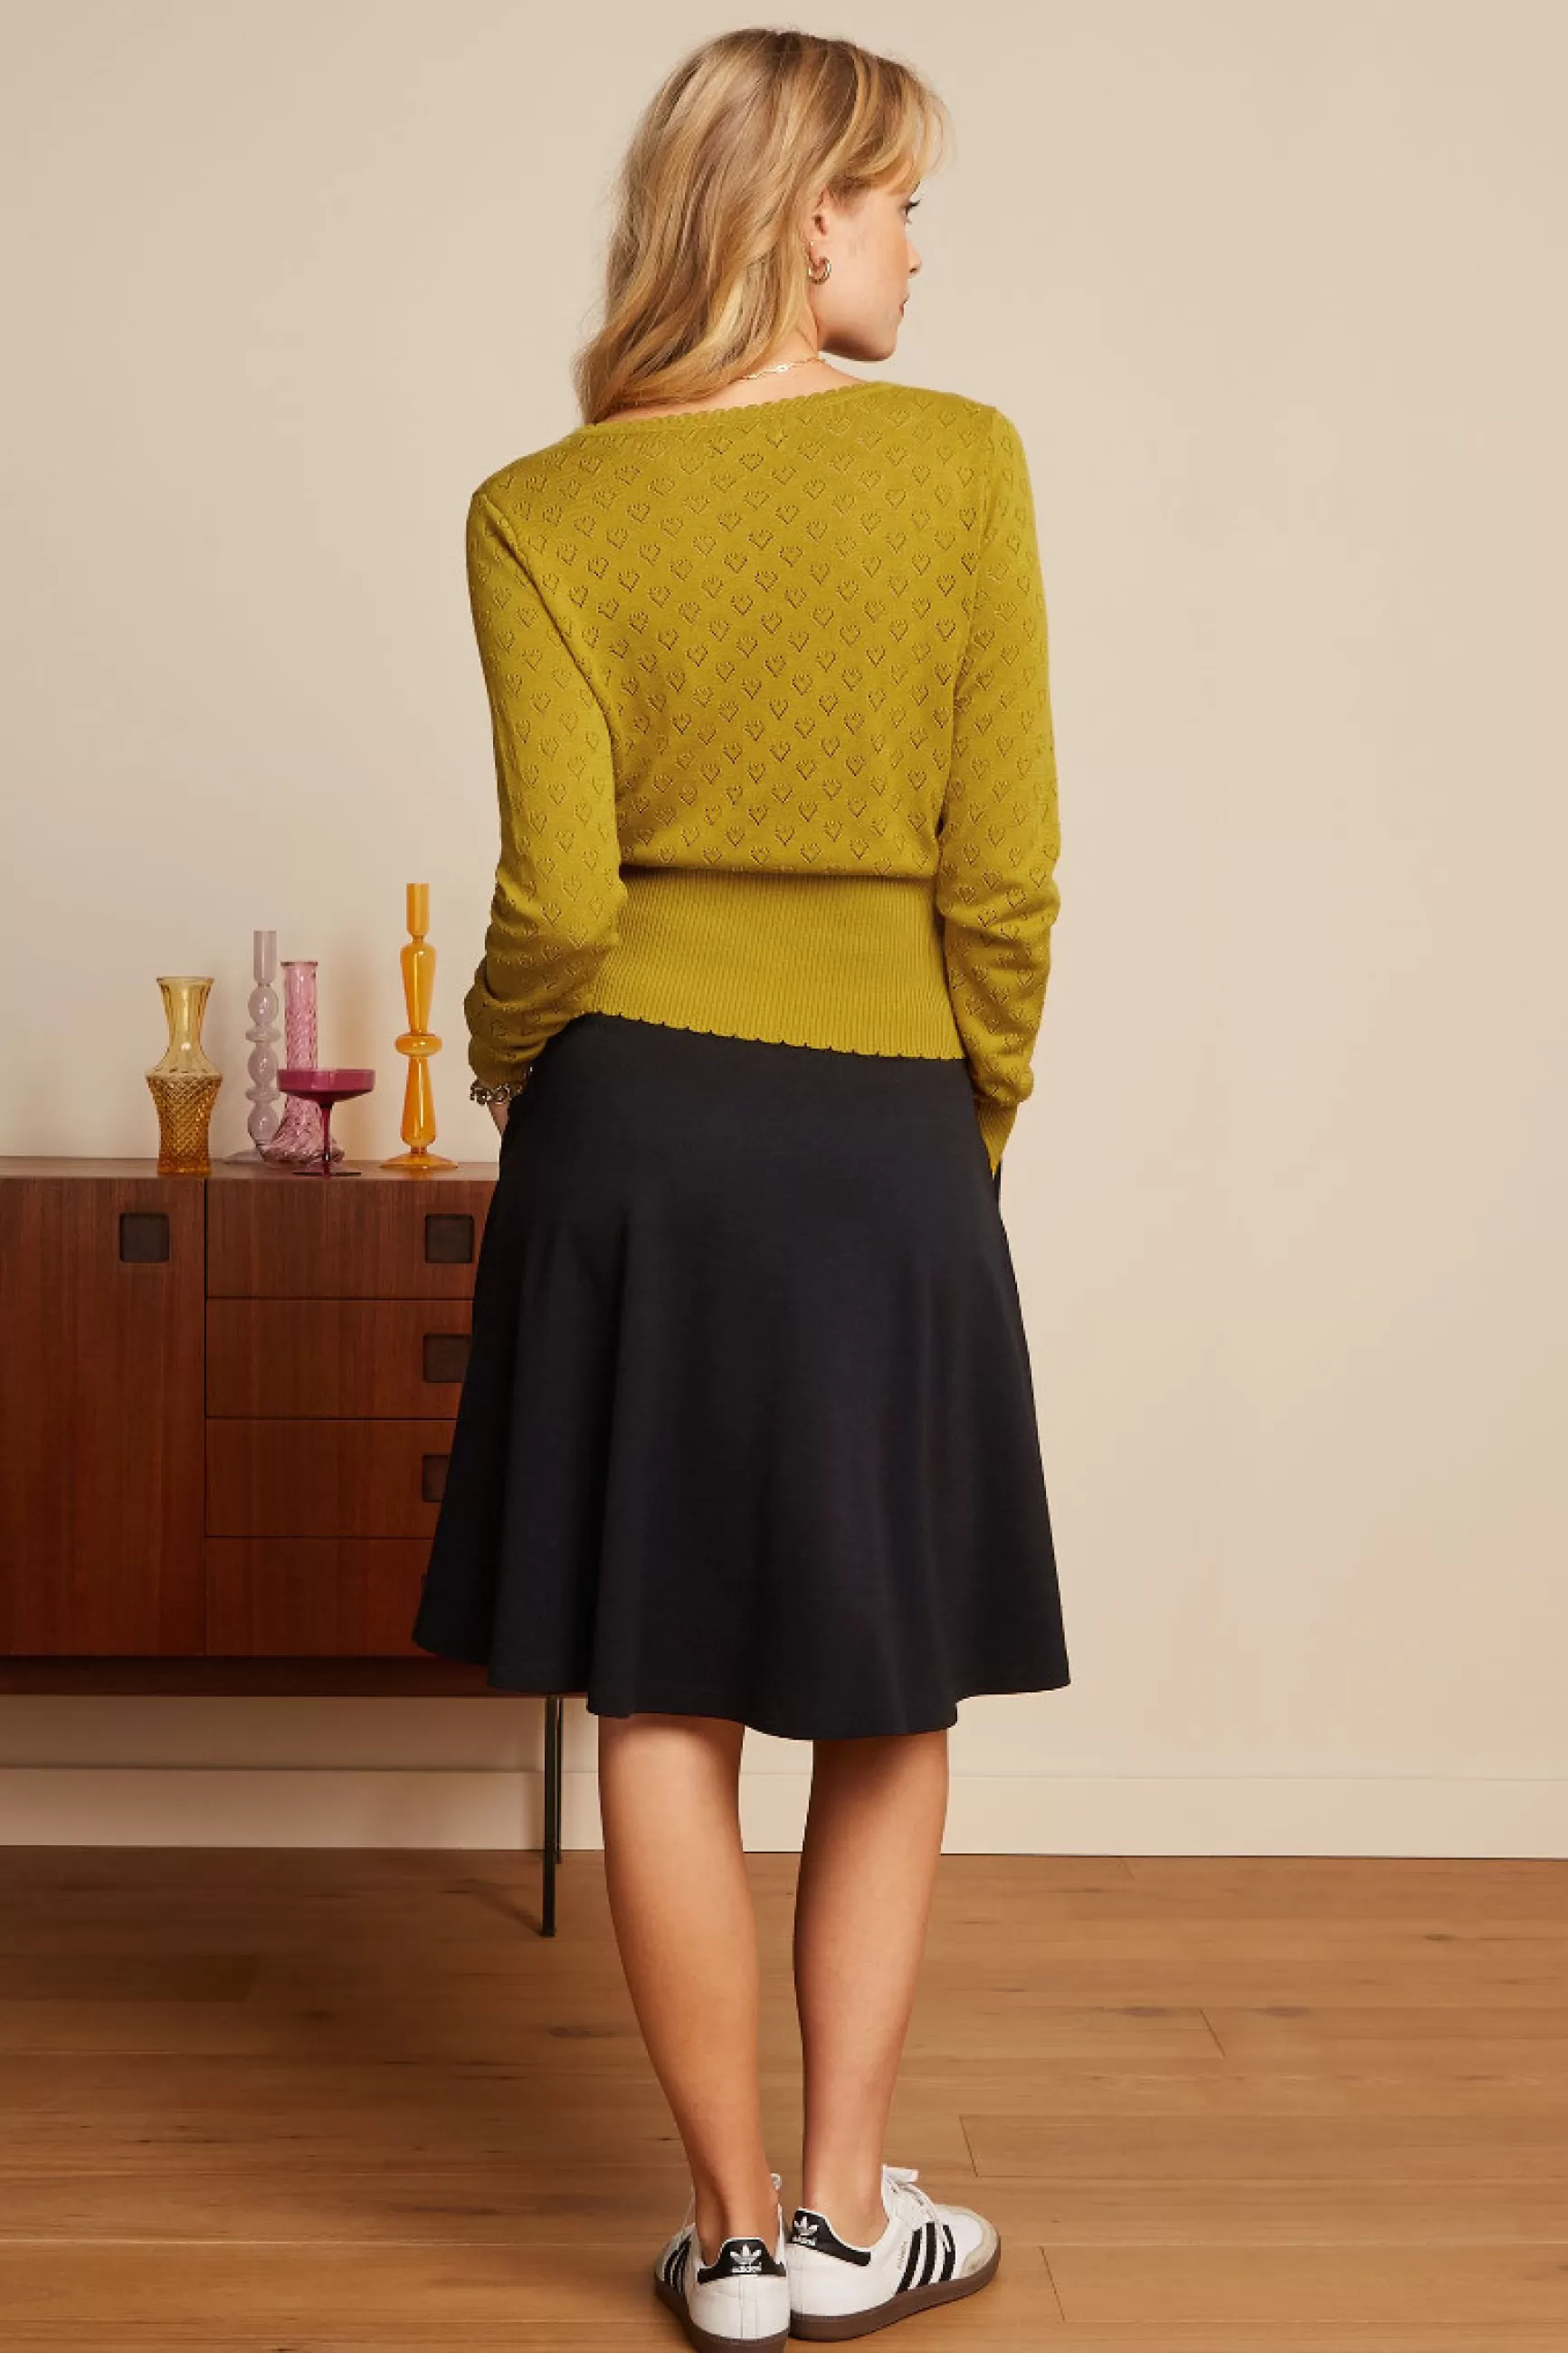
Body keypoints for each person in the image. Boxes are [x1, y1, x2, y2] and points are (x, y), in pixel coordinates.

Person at [413, 26, 1069, 2348]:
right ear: (807, 216)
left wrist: (524, 1081)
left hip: (630, 1136)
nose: (914, 248)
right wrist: (961, 1123)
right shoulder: (960, 463)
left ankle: (725, 2245)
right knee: (885, 1691)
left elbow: (555, 905)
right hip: (879, 1126)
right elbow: (1005, 880)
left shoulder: (537, 506)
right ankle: (842, 2206)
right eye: (898, 203)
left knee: (659, 1687)